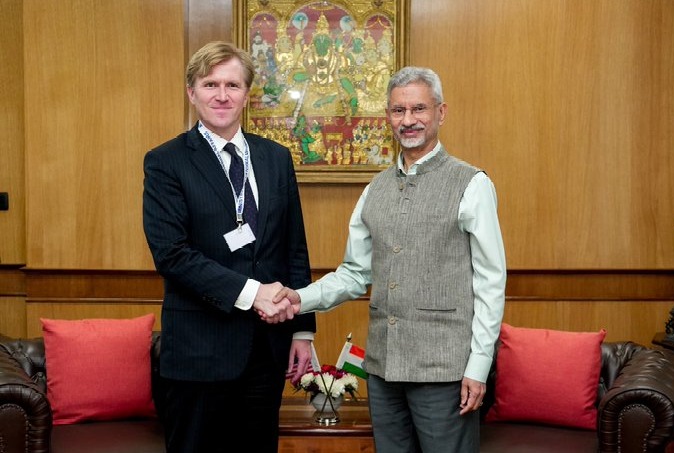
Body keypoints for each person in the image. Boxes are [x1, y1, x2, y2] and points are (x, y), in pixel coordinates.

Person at [272, 66, 506, 453]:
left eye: (419, 109)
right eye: (399, 111)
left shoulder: (472, 184)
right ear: (388, 117)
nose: (408, 120)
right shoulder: (375, 189)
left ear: (441, 112)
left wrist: (478, 366)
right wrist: (299, 298)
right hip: (382, 370)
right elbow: (353, 274)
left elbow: (491, 283)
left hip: (445, 371)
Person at [142, 41, 316, 453]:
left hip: (266, 351)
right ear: (192, 92)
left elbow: (293, 247)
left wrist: (303, 329)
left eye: (232, 85)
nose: (222, 95)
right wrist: (254, 293)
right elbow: (172, 254)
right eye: (210, 84)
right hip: (200, 353)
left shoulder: (275, 157)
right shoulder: (166, 161)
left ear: (247, 94)